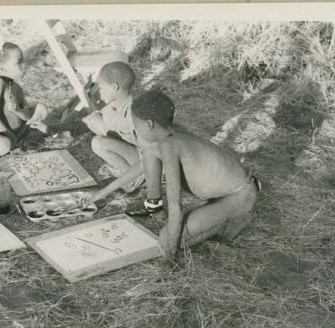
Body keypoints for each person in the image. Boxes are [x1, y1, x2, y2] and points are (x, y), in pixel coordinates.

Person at [91, 90, 260, 258]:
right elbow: (141, 165)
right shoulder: (166, 135)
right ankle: (158, 210)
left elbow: (175, 205)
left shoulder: (169, 145)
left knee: (166, 239)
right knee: (149, 155)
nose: (135, 129)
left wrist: (170, 249)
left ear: (149, 124)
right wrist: (104, 192)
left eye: (136, 125)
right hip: (221, 194)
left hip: (238, 195)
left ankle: (234, 218)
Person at [81, 62, 161, 208]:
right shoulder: (113, 105)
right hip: (138, 152)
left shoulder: (136, 113)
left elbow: (152, 155)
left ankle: (133, 180)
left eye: (101, 87)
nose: (99, 92)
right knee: (97, 135)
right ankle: (130, 177)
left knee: (99, 141)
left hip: (151, 161)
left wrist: (106, 190)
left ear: (114, 87)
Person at [0, 41, 48, 168]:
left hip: (11, 136)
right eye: (19, 62)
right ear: (2, 68)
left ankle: (11, 148)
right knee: (4, 144)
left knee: (40, 108)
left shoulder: (15, 87)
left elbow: (27, 116)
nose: (24, 65)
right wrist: (10, 136)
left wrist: (17, 110)